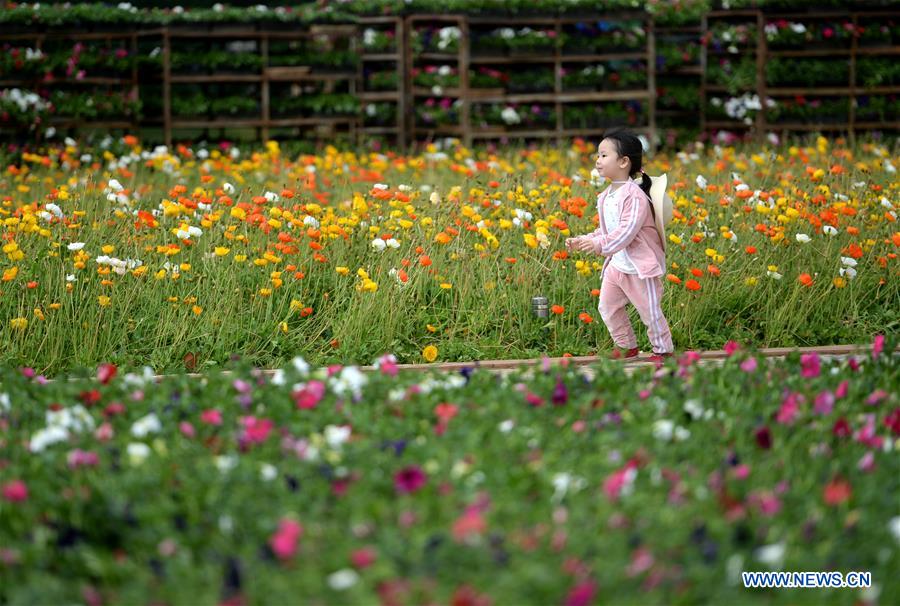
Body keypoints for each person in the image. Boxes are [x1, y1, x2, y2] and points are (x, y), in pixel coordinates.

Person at [565, 128, 674, 362]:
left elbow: (625, 232)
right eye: (598, 155)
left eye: (604, 155)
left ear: (624, 162)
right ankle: (626, 346)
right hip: (617, 265)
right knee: (608, 306)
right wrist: (585, 239)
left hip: (639, 268)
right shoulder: (605, 196)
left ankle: (663, 349)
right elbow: (608, 231)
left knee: (650, 312)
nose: (598, 160)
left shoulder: (634, 196)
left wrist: (597, 244)